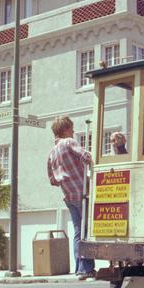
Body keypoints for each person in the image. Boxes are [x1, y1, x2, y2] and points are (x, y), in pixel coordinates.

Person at [47, 115, 94, 279]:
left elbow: (52, 180)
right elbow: (86, 157)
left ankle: (80, 267)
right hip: (81, 193)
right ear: (66, 130)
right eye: (72, 128)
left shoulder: (52, 153)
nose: (73, 131)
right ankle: (86, 267)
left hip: (68, 196)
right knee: (86, 230)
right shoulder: (68, 142)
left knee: (77, 231)